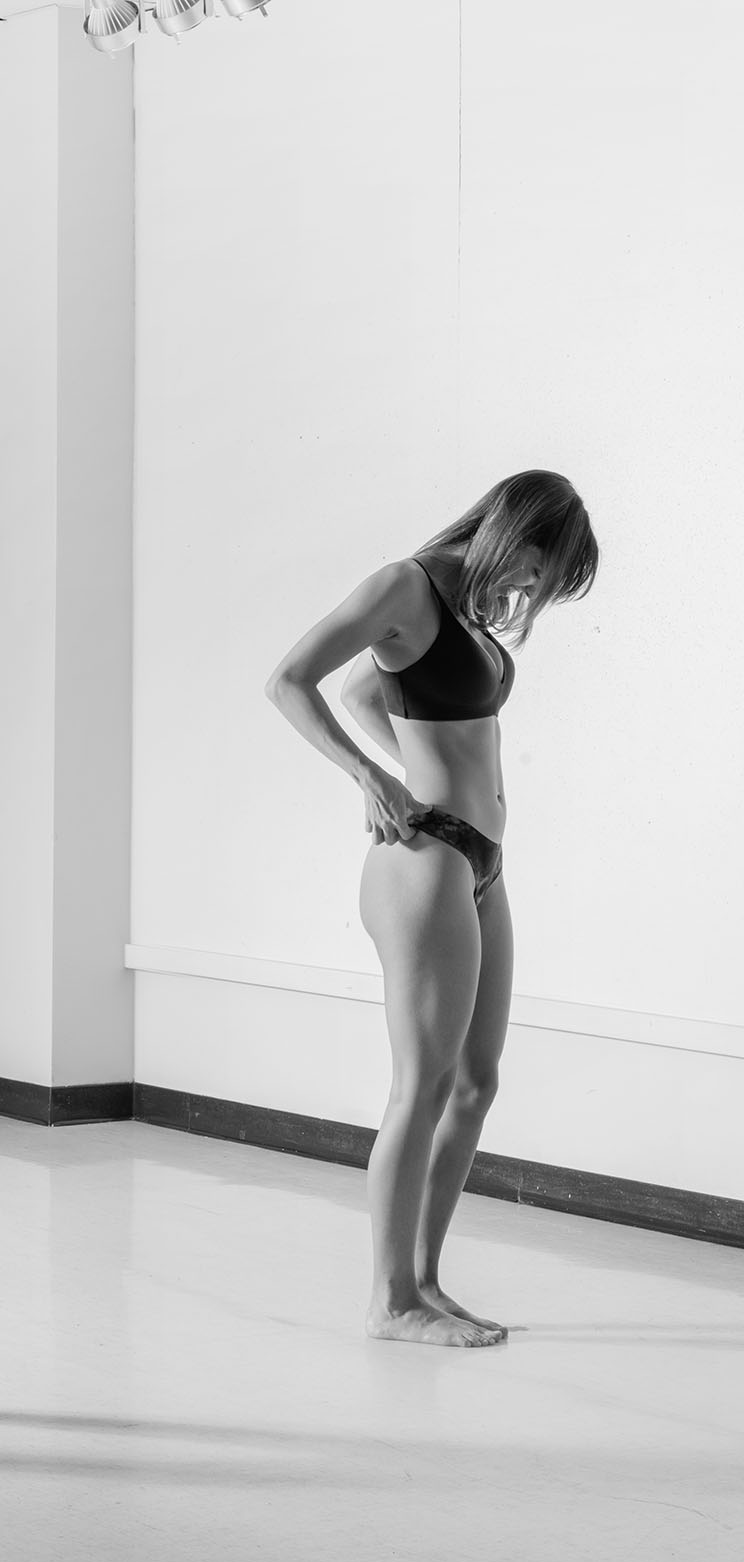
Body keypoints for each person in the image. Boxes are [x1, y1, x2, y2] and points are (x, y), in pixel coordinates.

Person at [266, 471, 598, 1346]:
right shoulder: (404, 586)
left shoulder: (463, 611)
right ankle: (390, 1301)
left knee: (477, 1082)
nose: (530, 591)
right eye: (536, 569)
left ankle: (427, 1281)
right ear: (513, 528)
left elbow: (367, 695)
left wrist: (400, 759)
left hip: (481, 865)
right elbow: (293, 680)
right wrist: (374, 777)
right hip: (427, 862)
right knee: (423, 1084)